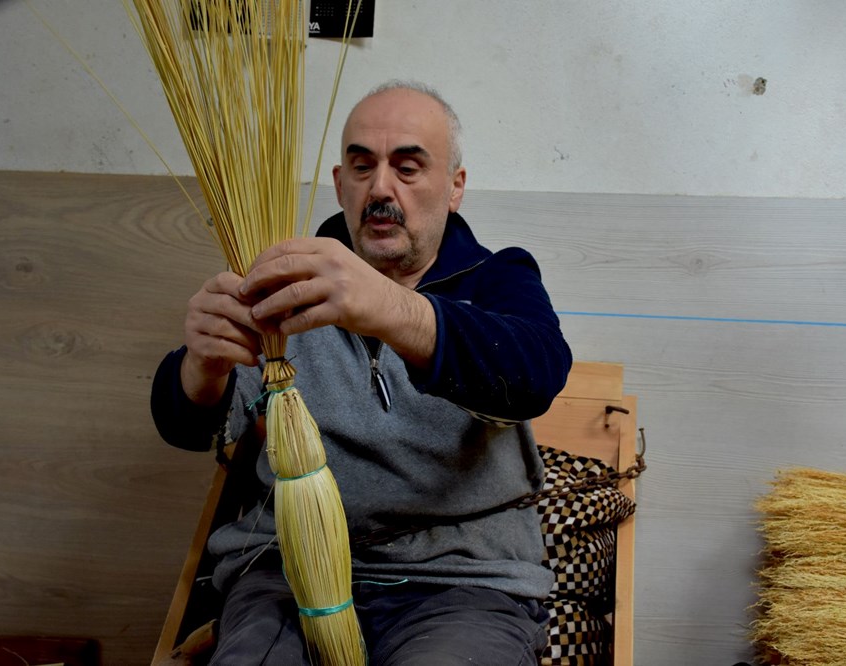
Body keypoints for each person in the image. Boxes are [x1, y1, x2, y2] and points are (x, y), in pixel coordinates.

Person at [151, 80, 573, 665]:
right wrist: (201, 367)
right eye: (362, 166)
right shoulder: (282, 283)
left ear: (455, 187)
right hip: (287, 574)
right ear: (338, 183)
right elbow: (189, 428)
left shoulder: (499, 279)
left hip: (460, 584)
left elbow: (536, 374)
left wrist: (385, 307)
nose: (380, 188)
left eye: (407, 167)